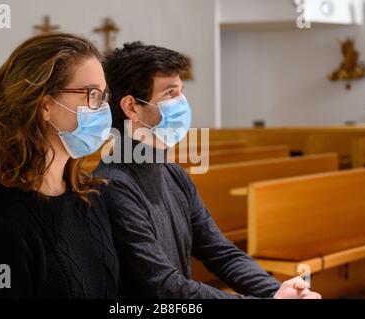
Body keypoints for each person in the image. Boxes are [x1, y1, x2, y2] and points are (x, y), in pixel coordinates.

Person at [94, 42, 321, 299]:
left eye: (181, 91)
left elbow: (221, 252)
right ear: (132, 107)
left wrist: (277, 291)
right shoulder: (112, 185)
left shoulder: (173, 174)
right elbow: (164, 286)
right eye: (170, 93)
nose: (181, 102)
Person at [0, 33, 119, 298]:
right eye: (91, 94)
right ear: (45, 105)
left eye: (104, 96)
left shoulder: (89, 196)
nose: (102, 108)